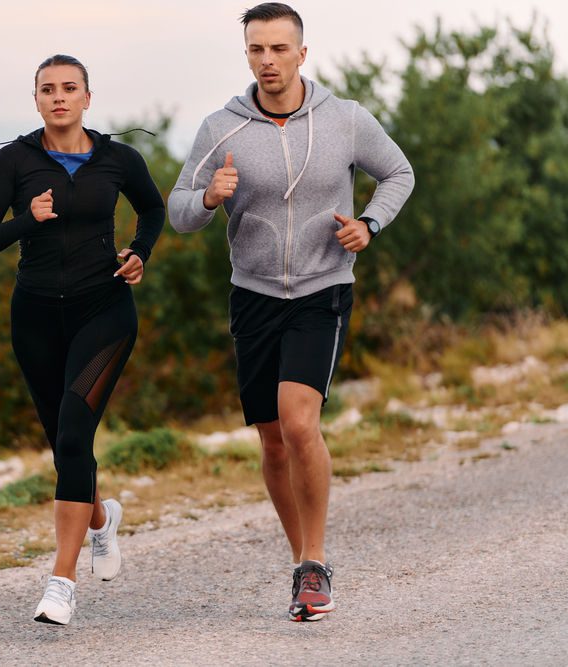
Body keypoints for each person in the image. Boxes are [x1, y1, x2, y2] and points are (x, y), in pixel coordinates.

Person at [168, 3, 414, 621]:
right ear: (246, 54)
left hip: (322, 287)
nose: (268, 60)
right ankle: (305, 562)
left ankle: (314, 562)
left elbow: (399, 173)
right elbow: (177, 211)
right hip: (252, 293)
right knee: (274, 442)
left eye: (280, 48)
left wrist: (369, 224)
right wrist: (206, 197)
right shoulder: (221, 127)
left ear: (302, 53)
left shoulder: (346, 119)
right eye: (257, 49)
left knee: (299, 423)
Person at [0, 54, 165, 625]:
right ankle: (101, 520)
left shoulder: (118, 158)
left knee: (76, 432)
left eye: (69, 88)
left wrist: (139, 254)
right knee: (63, 443)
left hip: (104, 310)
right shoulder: (14, 161)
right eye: (47, 89)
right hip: (34, 317)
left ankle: (62, 581)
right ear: (35, 100)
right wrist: (27, 218)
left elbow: (151, 211)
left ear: (87, 97)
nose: (59, 97)